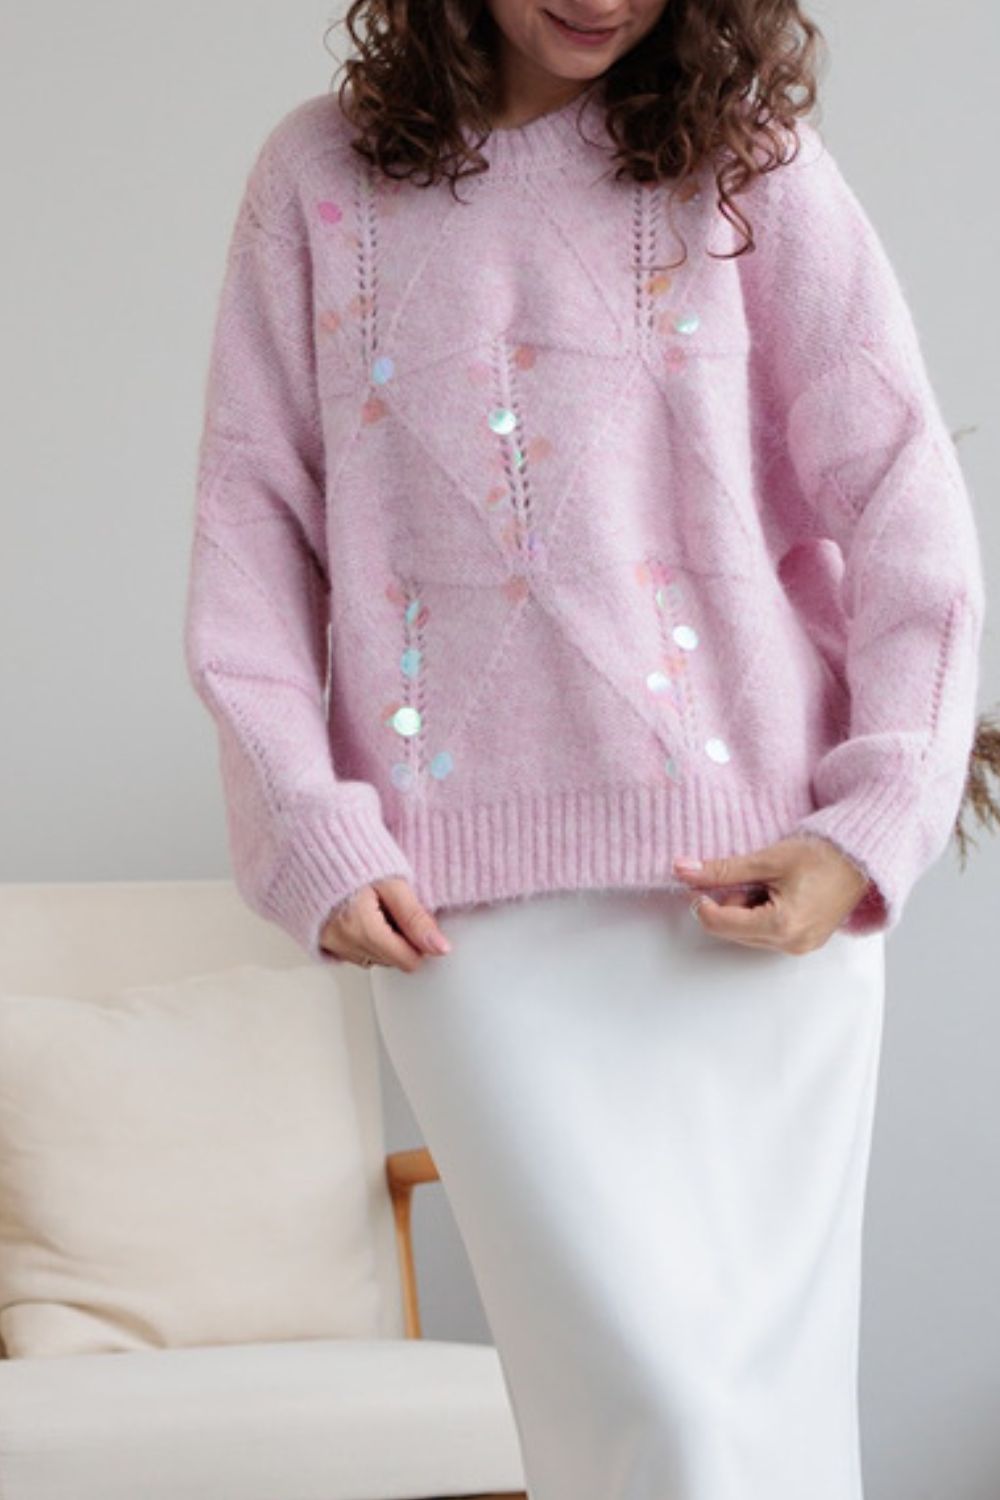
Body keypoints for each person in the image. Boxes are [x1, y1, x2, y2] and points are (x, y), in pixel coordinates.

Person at [183, 3, 995, 1496]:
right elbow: (251, 531)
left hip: (755, 901)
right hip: (467, 926)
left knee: (759, 1423)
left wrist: (873, 820)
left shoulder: (750, 167)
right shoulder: (318, 179)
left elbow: (900, 497)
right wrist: (309, 825)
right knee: (645, 1411)